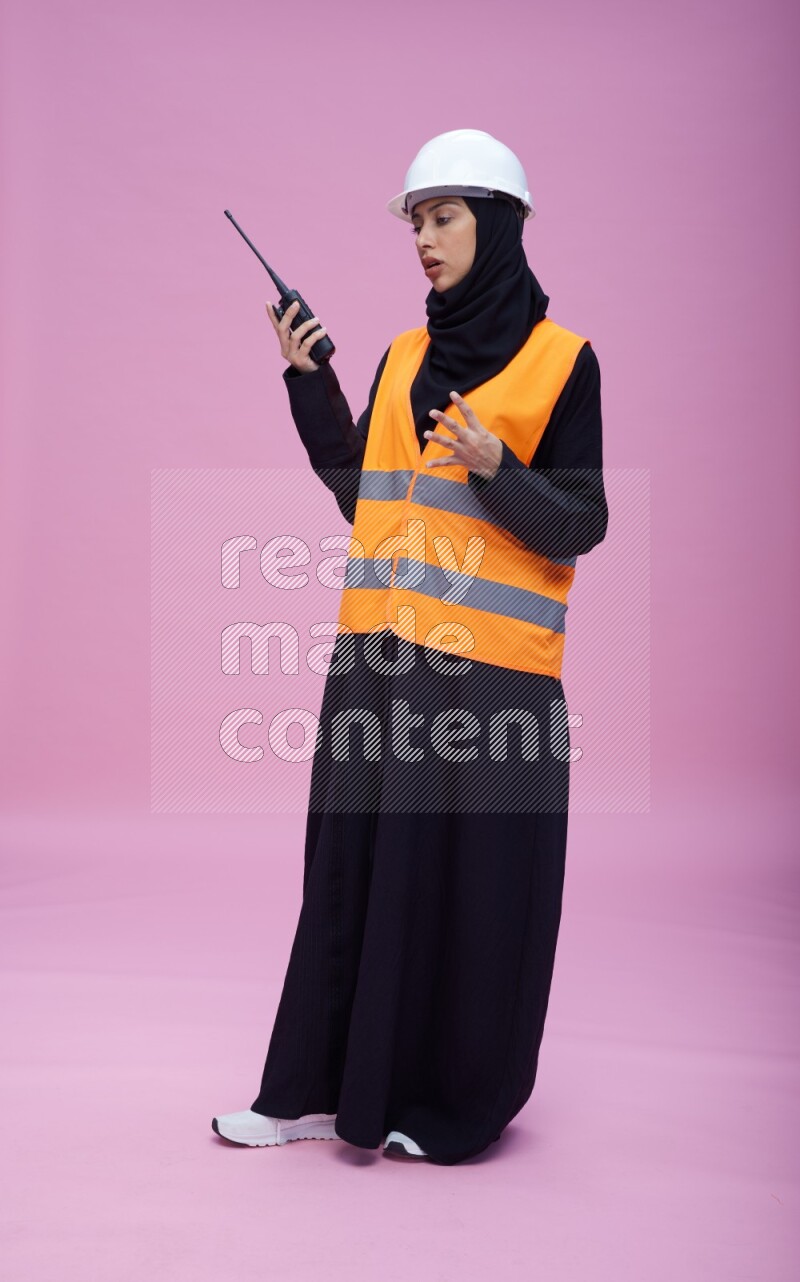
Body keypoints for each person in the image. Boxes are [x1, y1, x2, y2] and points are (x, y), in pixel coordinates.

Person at [212, 129, 608, 1165]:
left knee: (468, 899)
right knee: (348, 877)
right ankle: (307, 1090)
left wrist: (495, 468)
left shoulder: (563, 363)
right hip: (378, 663)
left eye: (444, 217)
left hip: (493, 684)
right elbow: (365, 495)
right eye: (415, 221)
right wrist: (308, 385)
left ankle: (445, 1107)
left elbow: (580, 520)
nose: (423, 239)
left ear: (500, 224)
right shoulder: (397, 358)